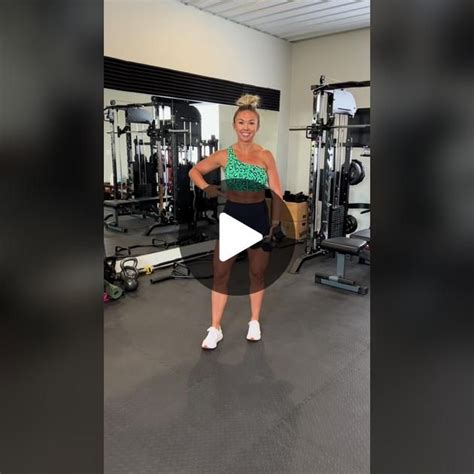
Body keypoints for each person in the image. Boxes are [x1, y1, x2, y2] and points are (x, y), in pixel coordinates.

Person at [188, 94, 283, 350]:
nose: (246, 127)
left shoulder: (265, 155)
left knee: (257, 272)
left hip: (257, 216)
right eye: (241, 122)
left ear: (257, 126)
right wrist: (207, 187)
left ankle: (254, 321)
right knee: (221, 274)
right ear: (234, 125)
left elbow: (277, 191)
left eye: (251, 122)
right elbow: (194, 171)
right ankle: (215, 328)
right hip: (233, 217)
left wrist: (274, 222)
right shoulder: (224, 155)